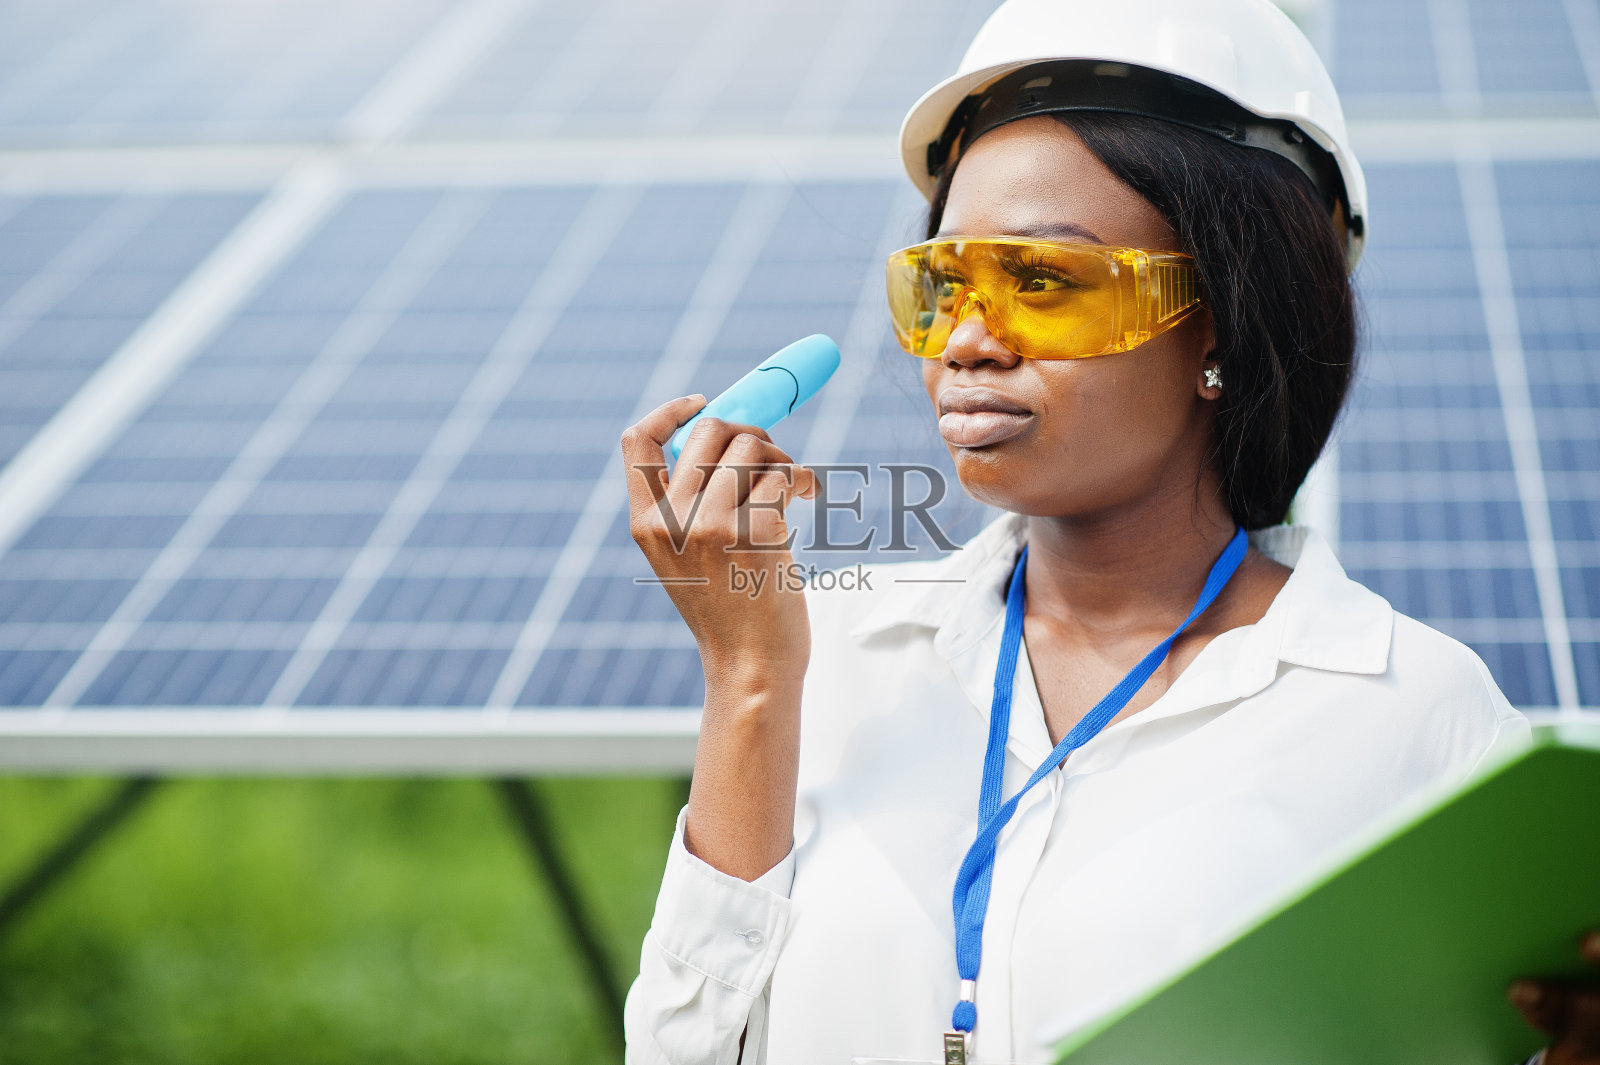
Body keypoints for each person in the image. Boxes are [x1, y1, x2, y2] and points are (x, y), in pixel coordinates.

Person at [617, 1, 1598, 1062]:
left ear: (1225, 322)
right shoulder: (820, 656)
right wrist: (749, 681)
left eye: (1043, 282)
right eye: (944, 286)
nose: (968, 342)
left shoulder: (1417, 717)